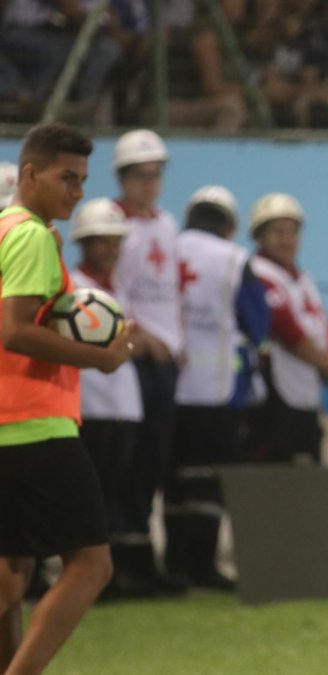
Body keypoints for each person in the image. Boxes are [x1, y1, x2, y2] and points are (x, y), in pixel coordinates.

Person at [0, 122, 132, 675]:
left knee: (10, 575)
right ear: (29, 173)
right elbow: (15, 331)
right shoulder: (29, 233)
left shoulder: (5, 228)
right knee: (91, 565)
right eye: (67, 178)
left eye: (82, 181)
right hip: (35, 424)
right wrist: (99, 357)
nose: (77, 193)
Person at [166, 186, 269, 590]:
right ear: (230, 224)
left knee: (174, 481)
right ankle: (201, 565)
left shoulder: (168, 249)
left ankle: (172, 564)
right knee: (208, 483)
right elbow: (257, 324)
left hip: (171, 389)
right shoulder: (234, 260)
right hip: (221, 390)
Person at [111, 128, 187, 594]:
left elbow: (172, 287)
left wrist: (176, 338)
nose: (150, 184)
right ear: (123, 177)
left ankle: (143, 556)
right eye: (141, 176)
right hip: (133, 357)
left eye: (156, 175)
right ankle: (118, 559)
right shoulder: (111, 225)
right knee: (126, 459)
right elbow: (109, 290)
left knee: (154, 461)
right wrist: (141, 334)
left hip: (165, 358)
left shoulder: (166, 225)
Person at [68, 198, 153, 598]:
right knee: (91, 494)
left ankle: (111, 573)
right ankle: (86, 575)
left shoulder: (119, 286)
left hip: (123, 404)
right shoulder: (71, 285)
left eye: (116, 241)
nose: (111, 249)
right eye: (103, 241)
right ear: (84, 243)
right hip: (91, 404)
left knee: (116, 491)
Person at [246, 193, 328, 465]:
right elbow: (286, 329)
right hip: (274, 390)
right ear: (259, 236)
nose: (287, 240)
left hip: (307, 385)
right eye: (278, 232)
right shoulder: (258, 274)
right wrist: (325, 363)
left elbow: (324, 325)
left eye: (292, 232)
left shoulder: (304, 279)